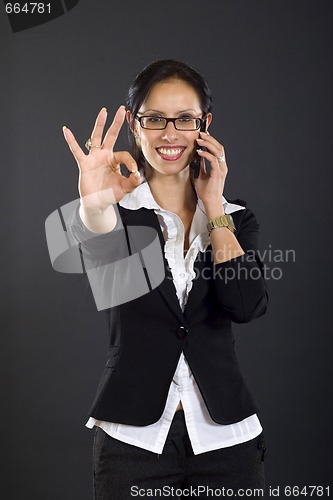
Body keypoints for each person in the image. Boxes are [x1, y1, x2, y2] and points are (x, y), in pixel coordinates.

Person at [62, 59, 268, 499]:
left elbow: (246, 305)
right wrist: (96, 205)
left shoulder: (235, 218)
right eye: (155, 119)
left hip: (226, 441)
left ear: (205, 124)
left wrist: (215, 210)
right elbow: (103, 257)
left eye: (186, 119)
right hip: (132, 442)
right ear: (136, 127)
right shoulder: (117, 212)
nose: (170, 133)